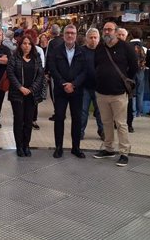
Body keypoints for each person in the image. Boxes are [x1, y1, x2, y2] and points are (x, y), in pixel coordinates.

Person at [92, 22, 138, 166]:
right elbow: (95, 65)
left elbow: (134, 67)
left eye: (110, 30)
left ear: (116, 31)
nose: (107, 32)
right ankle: (109, 148)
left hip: (118, 93)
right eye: (105, 30)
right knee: (106, 122)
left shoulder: (126, 47)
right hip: (101, 92)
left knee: (121, 123)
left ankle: (124, 152)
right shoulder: (100, 47)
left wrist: (123, 80)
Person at [47, 24, 87, 159]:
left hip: (77, 91)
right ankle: (59, 147)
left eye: (73, 33)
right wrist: (64, 83)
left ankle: (76, 147)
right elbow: (52, 68)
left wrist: (74, 84)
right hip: (60, 90)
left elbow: (85, 71)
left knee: (77, 119)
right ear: (63, 35)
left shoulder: (82, 51)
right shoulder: (56, 50)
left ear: (76, 35)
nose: (70, 35)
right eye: (68, 33)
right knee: (59, 118)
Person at [7, 36, 45, 157]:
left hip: (31, 94)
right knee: (18, 120)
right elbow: (10, 73)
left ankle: (26, 145)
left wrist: (31, 88)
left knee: (28, 121)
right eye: (24, 43)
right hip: (17, 94)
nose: (26, 46)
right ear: (20, 44)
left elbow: (40, 74)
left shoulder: (36, 57)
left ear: (32, 45)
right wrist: (20, 87)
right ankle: (19, 146)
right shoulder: (14, 56)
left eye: (29, 43)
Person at [81, 28, 104, 141]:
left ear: (99, 39)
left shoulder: (103, 51)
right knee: (83, 111)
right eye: (91, 37)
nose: (93, 40)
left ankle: (103, 132)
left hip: (99, 87)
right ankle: (79, 132)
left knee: (101, 112)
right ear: (86, 39)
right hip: (84, 86)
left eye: (95, 38)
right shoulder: (80, 51)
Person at [129, 28, 147, 119]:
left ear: (131, 35)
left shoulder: (127, 46)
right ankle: (139, 112)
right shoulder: (144, 48)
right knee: (140, 91)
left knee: (130, 92)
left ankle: (131, 111)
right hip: (140, 71)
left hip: (130, 71)